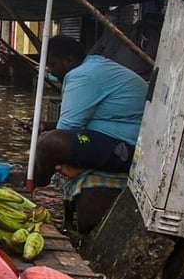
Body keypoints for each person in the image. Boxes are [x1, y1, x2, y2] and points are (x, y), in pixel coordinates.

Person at [32, 35, 147, 189]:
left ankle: (38, 183)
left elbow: (67, 127)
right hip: (118, 139)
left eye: (53, 64)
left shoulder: (83, 75)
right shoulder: (93, 65)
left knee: (50, 142)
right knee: (46, 134)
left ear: (69, 60)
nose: (50, 71)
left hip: (128, 149)